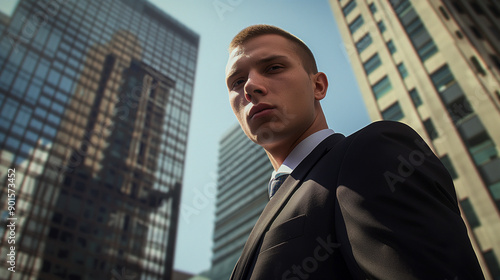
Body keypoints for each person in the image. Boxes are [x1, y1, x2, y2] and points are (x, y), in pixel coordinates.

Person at [225, 24, 485, 280]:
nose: (250, 87)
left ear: (318, 86)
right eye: (237, 81)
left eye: (273, 67)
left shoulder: (371, 151)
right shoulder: (260, 229)